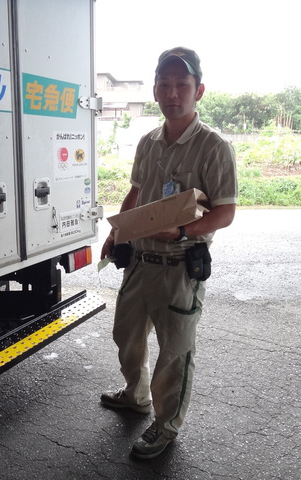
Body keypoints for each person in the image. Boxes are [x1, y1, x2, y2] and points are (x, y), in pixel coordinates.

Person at [100, 47, 238, 460]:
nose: (172, 92)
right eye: (165, 84)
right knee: (127, 337)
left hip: (181, 268)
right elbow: (137, 192)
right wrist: (118, 233)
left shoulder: (215, 147)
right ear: (156, 89)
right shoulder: (148, 142)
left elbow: (226, 212)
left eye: (182, 84)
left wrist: (181, 231)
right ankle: (135, 395)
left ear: (199, 91)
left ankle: (165, 425)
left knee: (175, 353)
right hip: (140, 263)